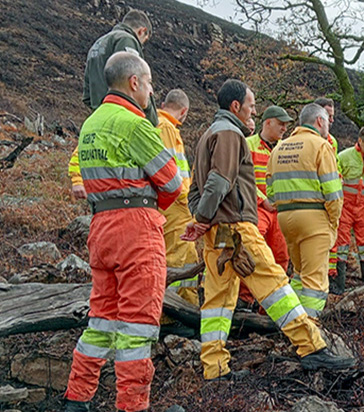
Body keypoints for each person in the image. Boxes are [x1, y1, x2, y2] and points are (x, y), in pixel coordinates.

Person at [183, 80, 354, 381]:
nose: (253, 111)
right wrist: (201, 217)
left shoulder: (207, 136)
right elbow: (220, 182)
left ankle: (215, 368)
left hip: (218, 233)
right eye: (250, 105)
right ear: (235, 106)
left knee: (217, 300)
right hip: (237, 228)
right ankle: (311, 347)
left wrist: (201, 219)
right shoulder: (229, 134)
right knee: (276, 285)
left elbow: (195, 188)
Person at [64, 52, 182, 412]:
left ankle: (76, 399)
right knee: (137, 327)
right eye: (148, 84)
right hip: (135, 231)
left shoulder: (91, 124)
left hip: (100, 228)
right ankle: (132, 406)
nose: (150, 91)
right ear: (134, 82)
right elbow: (173, 182)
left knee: (100, 320)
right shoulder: (135, 124)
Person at [69, 10, 159, 200]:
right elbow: (135, 80)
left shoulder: (97, 44)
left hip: (98, 120)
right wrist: (151, 120)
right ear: (142, 31)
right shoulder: (126, 40)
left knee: (101, 190)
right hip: (122, 121)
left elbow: (87, 94)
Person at [266, 103, 343, 319]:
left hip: (285, 218)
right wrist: (333, 221)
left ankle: (292, 321)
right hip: (314, 217)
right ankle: (310, 329)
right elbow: (333, 192)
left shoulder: (279, 147)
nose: (328, 125)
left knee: (298, 275)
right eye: (327, 121)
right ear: (320, 121)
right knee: (315, 280)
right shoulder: (321, 145)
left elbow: (270, 190)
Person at [238, 106, 293, 309]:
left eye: (286, 124)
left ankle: (271, 306)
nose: (284, 128)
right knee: (252, 253)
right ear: (268, 122)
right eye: (281, 124)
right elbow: (242, 179)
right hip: (256, 209)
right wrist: (263, 201)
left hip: (280, 211)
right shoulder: (247, 144)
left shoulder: (286, 148)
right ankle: (245, 299)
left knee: (280, 256)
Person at [157, 89, 200, 307]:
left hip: (168, 204)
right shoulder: (166, 128)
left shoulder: (158, 124)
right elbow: (169, 171)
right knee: (181, 259)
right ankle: (178, 308)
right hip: (175, 205)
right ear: (184, 111)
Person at [330, 126, 364, 294]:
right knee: (342, 244)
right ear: (360, 140)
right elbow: (335, 179)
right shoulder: (344, 156)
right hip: (345, 205)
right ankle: (339, 285)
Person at [314, 97, 342, 280]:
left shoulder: (332, 141)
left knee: (331, 238)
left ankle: (329, 275)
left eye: (333, 116)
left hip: (329, 198)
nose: (332, 120)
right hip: (312, 200)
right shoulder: (305, 139)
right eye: (328, 116)